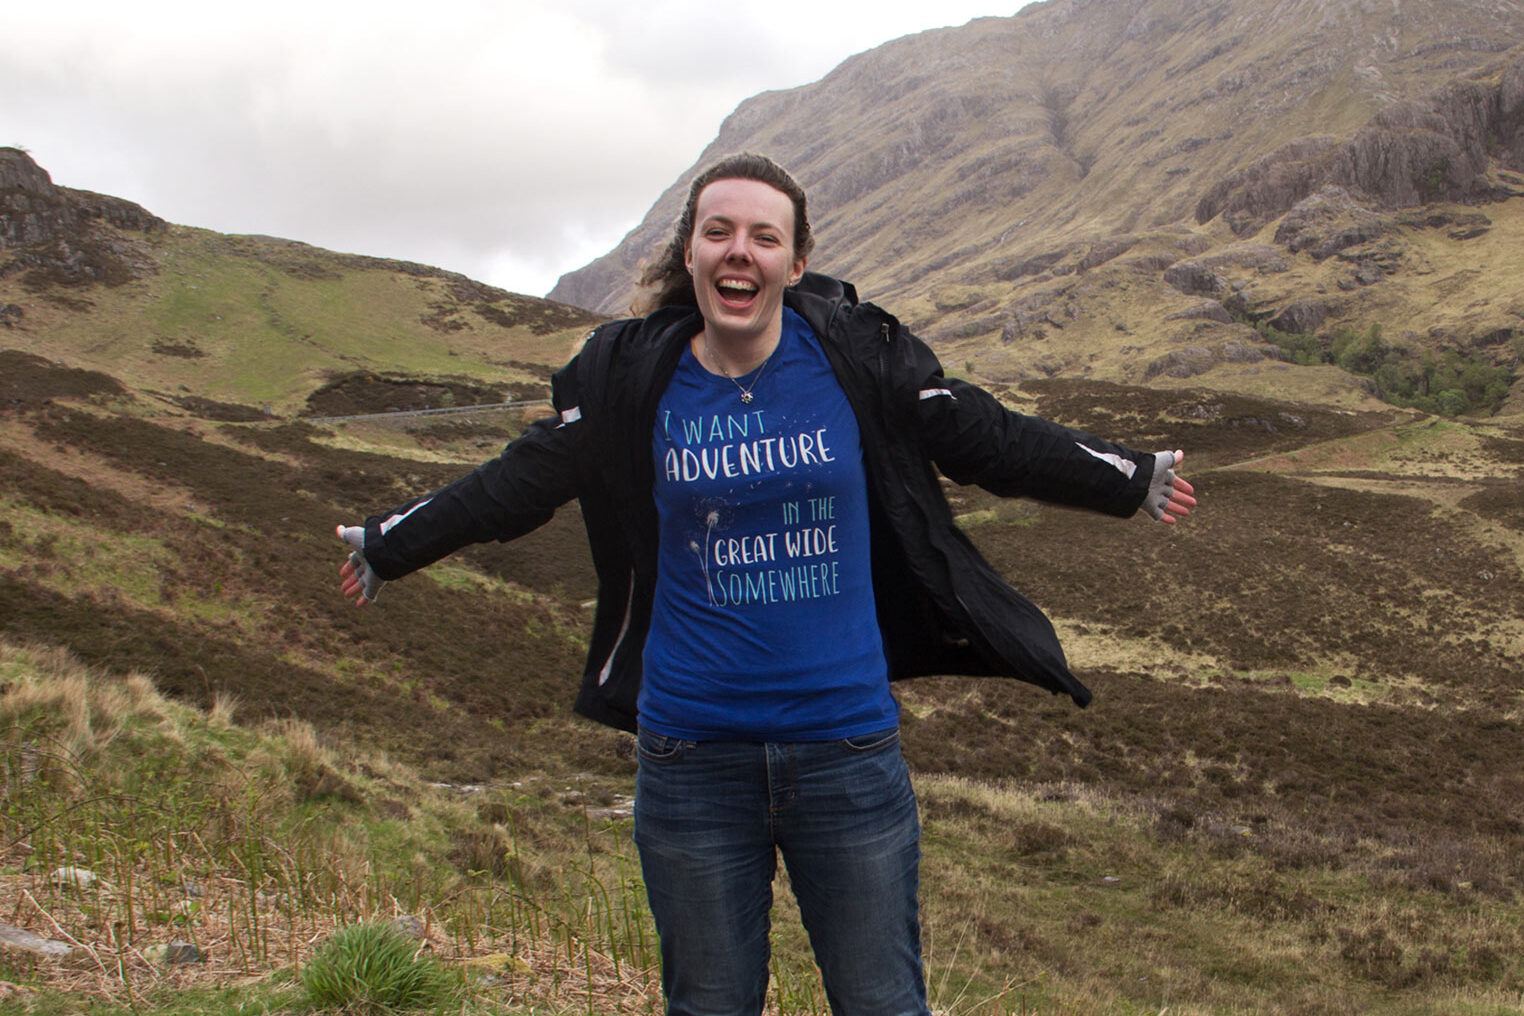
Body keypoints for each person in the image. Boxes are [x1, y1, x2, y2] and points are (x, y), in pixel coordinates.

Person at [335, 152, 1196, 1016]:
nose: (739, 251)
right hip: (690, 764)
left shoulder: (857, 364)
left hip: (846, 756)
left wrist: (1127, 477)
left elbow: (987, 436)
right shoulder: (635, 382)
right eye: (719, 232)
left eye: (763, 236)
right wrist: (388, 544)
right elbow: (516, 481)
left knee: (883, 1004)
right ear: (690, 255)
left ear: (794, 261)